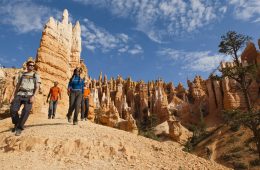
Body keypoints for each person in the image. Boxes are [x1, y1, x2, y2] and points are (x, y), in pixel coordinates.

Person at [9, 61, 41, 136]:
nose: (32, 66)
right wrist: (12, 96)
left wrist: (34, 96)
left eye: (33, 66)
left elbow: (37, 87)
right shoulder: (22, 75)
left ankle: (19, 128)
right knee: (13, 110)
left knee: (26, 111)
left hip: (29, 95)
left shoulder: (36, 75)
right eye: (30, 65)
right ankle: (17, 123)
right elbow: (17, 86)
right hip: (20, 94)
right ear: (27, 66)